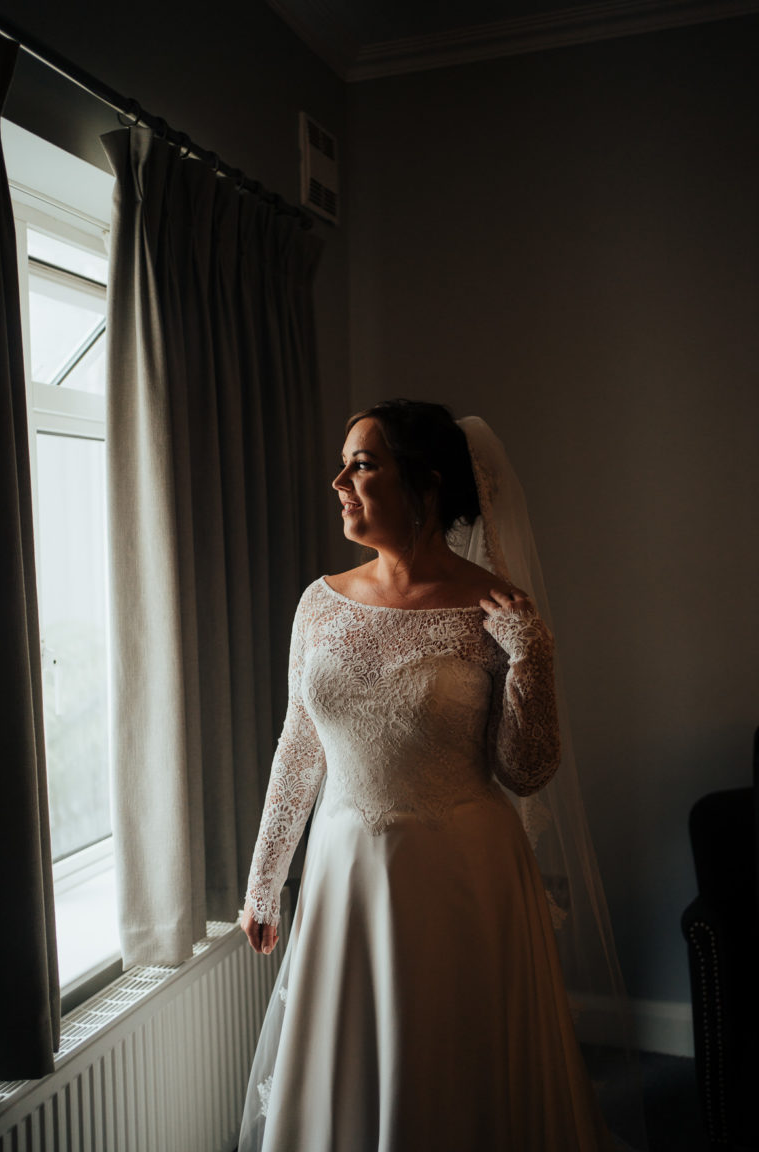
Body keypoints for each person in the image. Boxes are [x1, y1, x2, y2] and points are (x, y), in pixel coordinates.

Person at [238, 399, 619, 1151]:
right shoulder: (318, 604)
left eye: (364, 463)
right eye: (345, 461)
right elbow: (298, 743)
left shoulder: (496, 607)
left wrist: (530, 659)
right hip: (346, 871)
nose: (339, 478)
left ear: (427, 485)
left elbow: (526, 767)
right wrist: (264, 879)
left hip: (462, 876)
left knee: (457, 1071)